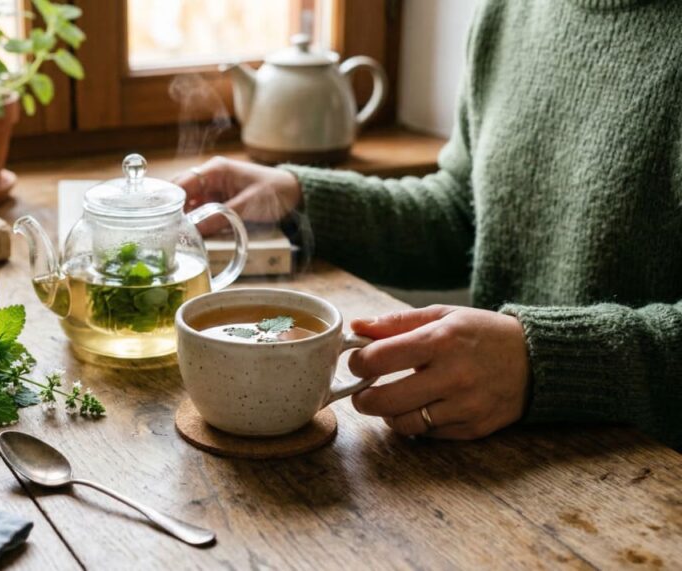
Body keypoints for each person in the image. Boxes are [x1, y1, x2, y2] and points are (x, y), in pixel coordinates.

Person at [174, 0, 682, 447]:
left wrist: (543, 361)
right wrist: (296, 196)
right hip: (498, 465)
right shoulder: (508, 11)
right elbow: (465, 211)